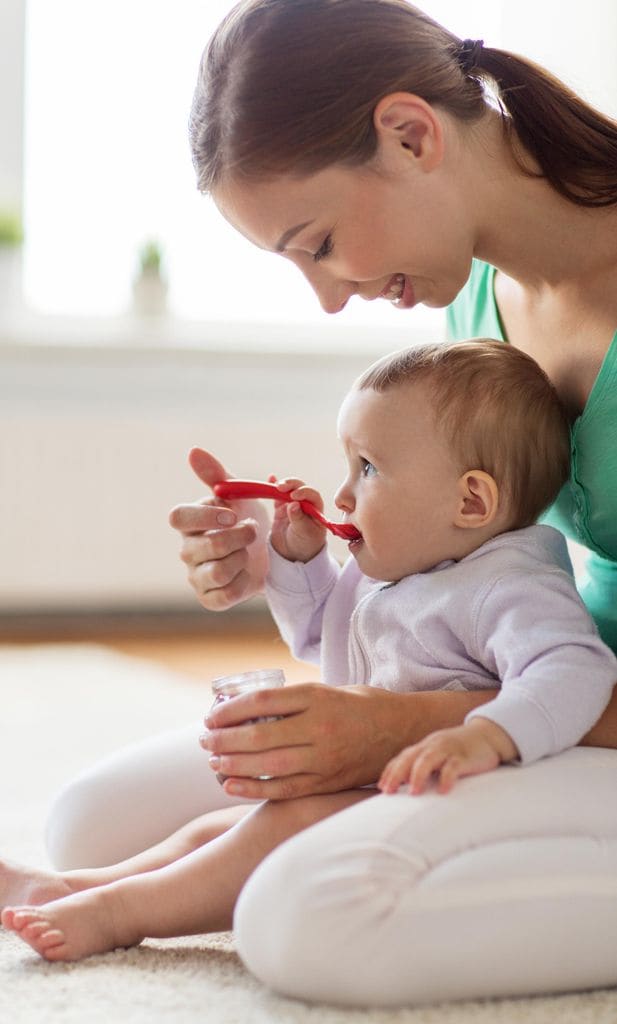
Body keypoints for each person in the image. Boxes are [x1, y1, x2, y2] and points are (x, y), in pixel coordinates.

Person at [38, 0, 617, 1006]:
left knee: (305, 919)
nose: (329, 299)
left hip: (563, 706)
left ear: (409, 133)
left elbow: (538, 663)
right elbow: (453, 557)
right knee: (94, 824)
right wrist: (294, 560)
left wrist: (404, 723)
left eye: (316, 243)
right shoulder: (474, 297)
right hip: (523, 689)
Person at [4, 339, 615, 965]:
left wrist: (486, 735)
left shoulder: (508, 586)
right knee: (220, 831)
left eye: (369, 469)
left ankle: (117, 916)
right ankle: (75, 887)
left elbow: (574, 668)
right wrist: (297, 561)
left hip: (475, 784)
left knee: (274, 832)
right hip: (380, 774)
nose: (343, 495)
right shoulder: (410, 562)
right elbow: (322, 636)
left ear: (471, 502)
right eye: (347, 466)